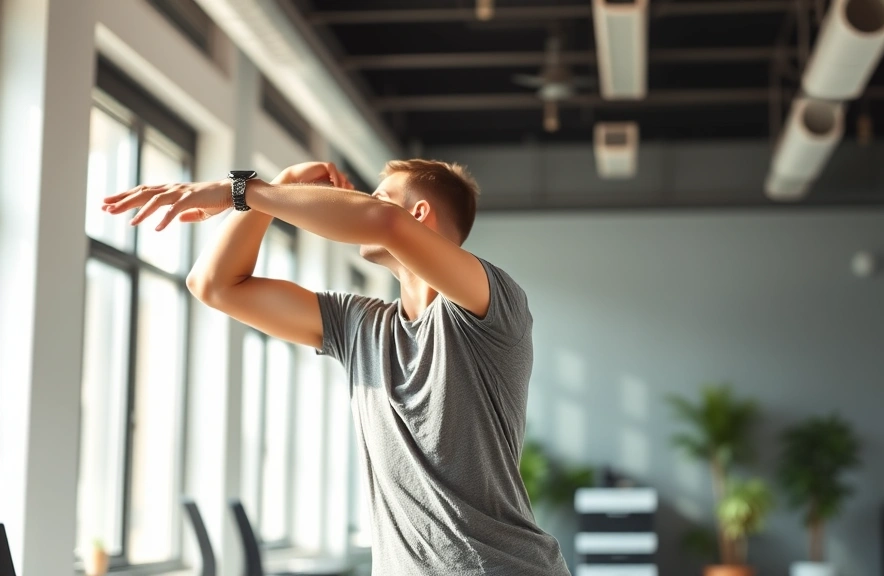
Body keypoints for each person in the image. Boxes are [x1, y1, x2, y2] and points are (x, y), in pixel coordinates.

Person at [102, 160, 571, 576]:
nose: (358, 203)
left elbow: (383, 223)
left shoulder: (491, 305)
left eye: (377, 196)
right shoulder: (360, 325)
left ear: (419, 214)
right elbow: (214, 285)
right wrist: (277, 187)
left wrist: (240, 190)